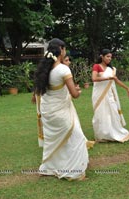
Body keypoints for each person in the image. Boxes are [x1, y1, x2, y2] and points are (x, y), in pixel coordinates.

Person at [34, 38, 93, 181]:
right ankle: (75, 171)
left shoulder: (45, 69)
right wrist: (78, 91)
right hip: (60, 111)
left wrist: (71, 90)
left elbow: (50, 90)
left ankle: (49, 168)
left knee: (53, 141)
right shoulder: (63, 69)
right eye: (64, 49)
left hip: (48, 111)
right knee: (77, 138)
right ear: (61, 49)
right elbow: (74, 94)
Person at [31, 54, 75, 147]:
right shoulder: (55, 70)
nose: (69, 62)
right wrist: (34, 94)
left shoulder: (63, 71)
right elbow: (40, 83)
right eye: (66, 60)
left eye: (68, 60)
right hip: (47, 98)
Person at [91, 49, 129, 142]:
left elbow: (117, 81)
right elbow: (94, 78)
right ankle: (102, 134)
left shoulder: (111, 69)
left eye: (110, 57)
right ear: (102, 56)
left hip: (109, 95)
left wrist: (127, 88)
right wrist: (107, 78)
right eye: (107, 56)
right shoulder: (96, 66)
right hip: (99, 95)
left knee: (112, 111)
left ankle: (113, 131)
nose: (109, 58)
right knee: (101, 113)